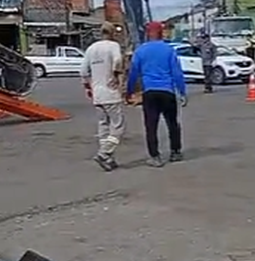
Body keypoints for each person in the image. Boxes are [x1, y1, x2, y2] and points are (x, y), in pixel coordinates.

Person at [126, 21, 187, 167]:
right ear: (161, 33)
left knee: (151, 125)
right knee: (172, 123)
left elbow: (133, 73)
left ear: (147, 34)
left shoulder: (140, 51)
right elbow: (177, 73)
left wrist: (129, 91)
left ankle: (155, 157)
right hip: (167, 91)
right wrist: (182, 92)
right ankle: (175, 152)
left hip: (150, 92)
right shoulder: (169, 50)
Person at [80, 22, 126, 171]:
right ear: (112, 33)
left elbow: (83, 72)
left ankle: (108, 159)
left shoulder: (91, 49)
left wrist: (88, 86)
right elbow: (118, 61)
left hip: (97, 94)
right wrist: (115, 76)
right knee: (118, 127)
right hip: (110, 93)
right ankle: (104, 153)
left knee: (103, 126)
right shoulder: (113, 46)